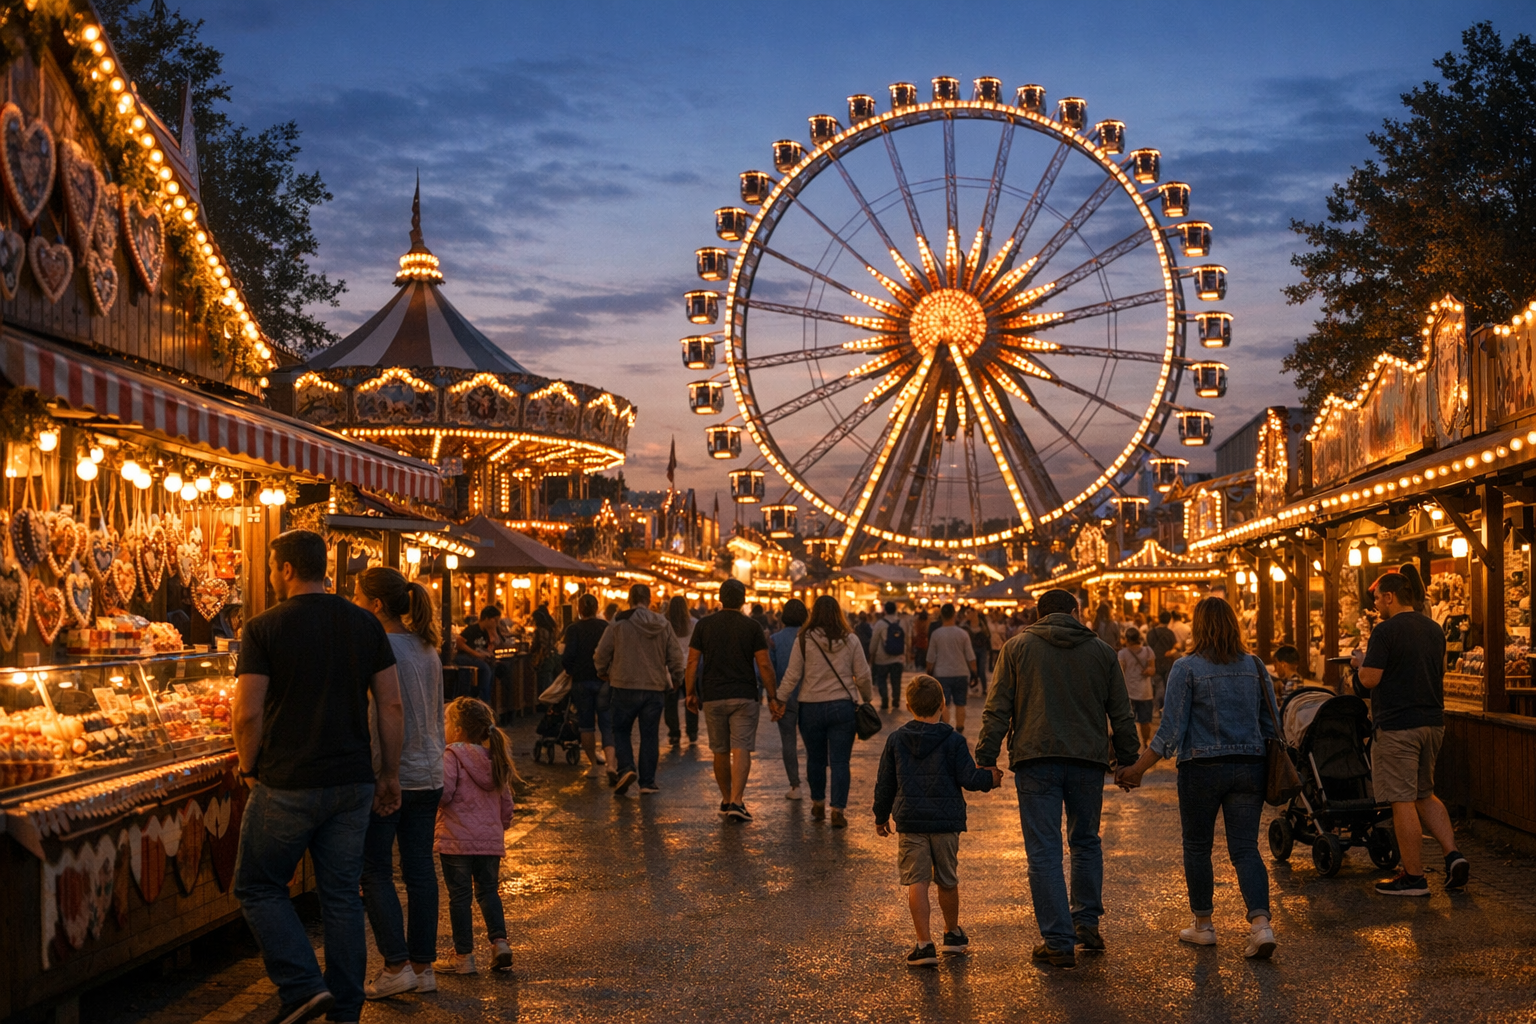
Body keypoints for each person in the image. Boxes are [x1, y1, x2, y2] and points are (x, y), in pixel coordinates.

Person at [232, 530, 403, 1024]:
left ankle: (303, 986)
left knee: (259, 885)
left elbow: (246, 713)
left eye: (270, 566)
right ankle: (345, 1009)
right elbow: (391, 704)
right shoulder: (365, 625)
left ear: (285, 569)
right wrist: (388, 773)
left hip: (288, 780)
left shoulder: (264, 627)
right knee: (342, 896)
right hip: (353, 782)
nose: (269, 574)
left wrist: (248, 766)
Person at [974, 588, 1138, 971]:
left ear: (1037, 613)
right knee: (1086, 842)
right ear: (1075, 612)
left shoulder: (1017, 648)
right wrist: (1128, 761)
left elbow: (997, 707)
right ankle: (1086, 923)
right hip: (1087, 759)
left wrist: (986, 757)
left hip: (1036, 758)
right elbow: (1122, 712)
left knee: (1044, 850)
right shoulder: (1102, 652)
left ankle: (1058, 940)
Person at [1117, 597, 1280, 959]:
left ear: (1198, 626)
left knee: (1197, 846)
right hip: (1249, 765)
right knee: (1245, 848)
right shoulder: (1255, 665)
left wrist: (1137, 769)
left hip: (1201, 769)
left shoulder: (1186, 668)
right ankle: (1260, 925)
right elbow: (1273, 724)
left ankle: (1204, 925)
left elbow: (1170, 732)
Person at [353, 568, 446, 1000]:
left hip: (394, 771)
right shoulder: (426, 646)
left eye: (357, 597)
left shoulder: (381, 645)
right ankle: (423, 966)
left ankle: (395, 964)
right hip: (429, 771)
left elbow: (387, 707)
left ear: (375, 605)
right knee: (420, 870)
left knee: (374, 870)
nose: (353, 604)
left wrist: (384, 773)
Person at [1350, 569, 1469, 896]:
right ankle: (1453, 855)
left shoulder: (1385, 631)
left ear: (1389, 597)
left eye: (1376, 599)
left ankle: (1414, 876)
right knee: (1424, 793)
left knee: (1402, 801)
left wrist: (1358, 665)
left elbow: (1370, 680)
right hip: (1432, 723)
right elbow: (1440, 671)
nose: (1375, 605)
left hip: (1397, 726)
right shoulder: (1434, 629)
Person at [873, 675, 998, 966]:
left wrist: (881, 816)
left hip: (911, 822)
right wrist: (990, 778)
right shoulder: (953, 740)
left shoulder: (896, 740)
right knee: (947, 878)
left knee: (917, 881)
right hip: (946, 822)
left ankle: (924, 944)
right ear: (943, 704)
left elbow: (885, 784)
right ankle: (952, 934)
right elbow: (968, 778)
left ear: (908, 705)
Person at [686, 578, 782, 821]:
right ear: (743, 600)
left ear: (720, 598)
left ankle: (726, 799)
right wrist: (773, 696)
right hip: (744, 695)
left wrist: (690, 692)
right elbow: (764, 664)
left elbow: (692, 662)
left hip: (713, 695)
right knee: (741, 748)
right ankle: (738, 802)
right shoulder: (751, 627)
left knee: (720, 750)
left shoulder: (704, 626)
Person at [433, 697, 515, 976]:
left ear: (457, 730)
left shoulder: (451, 755)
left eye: (446, 721)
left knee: (460, 897)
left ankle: (463, 957)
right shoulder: (495, 757)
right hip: (489, 842)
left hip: (456, 840)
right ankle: (499, 943)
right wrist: (499, 827)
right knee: (489, 891)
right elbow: (506, 802)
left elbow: (444, 793)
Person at [778, 595, 872, 827]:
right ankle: (838, 810)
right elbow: (863, 675)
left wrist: (779, 699)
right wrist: (866, 698)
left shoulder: (804, 639)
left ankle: (818, 802)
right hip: (842, 707)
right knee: (841, 761)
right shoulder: (851, 640)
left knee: (816, 759)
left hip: (811, 707)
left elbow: (792, 675)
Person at [594, 583, 684, 795]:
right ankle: (647, 782)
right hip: (654, 687)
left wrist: (602, 671)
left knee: (621, 730)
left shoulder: (618, 621)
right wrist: (677, 678)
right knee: (650, 734)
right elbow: (676, 656)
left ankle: (626, 768)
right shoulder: (663, 623)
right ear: (649, 599)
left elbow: (601, 653)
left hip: (624, 685)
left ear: (630, 598)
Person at [561, 594, 615, 782]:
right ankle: (610, 764)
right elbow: (612, 651)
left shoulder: (573, 629)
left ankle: (593, 765)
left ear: (579, 609)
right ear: (596, 607)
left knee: (586, 725)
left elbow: (568, 655)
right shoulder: (605, 627)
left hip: (581, 681)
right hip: (603, 680)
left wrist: (570, 670)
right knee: (607, 722)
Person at [768, 599, 808, 801]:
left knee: (788, 741)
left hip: (784, 697)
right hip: (810, 697)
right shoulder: (810, 638)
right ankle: (814, 779)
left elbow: (768, 670)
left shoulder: (775, 640)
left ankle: (795, 785)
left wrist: (772, 696)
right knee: (812, 742)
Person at [924, 604, 977, 734]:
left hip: (941, 673)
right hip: (961, 672)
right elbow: (970, 656)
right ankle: (960, 729)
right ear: (954, 615)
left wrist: (929, 672)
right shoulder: (963, 633)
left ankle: (945, 730)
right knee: (960, 703)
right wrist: (974, 673)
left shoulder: (936, 634)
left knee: (944, 704)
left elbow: (930, 657)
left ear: (941, 615)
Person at [664, 595, 699, 746]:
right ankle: (692, 731)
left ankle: (674, 732)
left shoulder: (665, 624)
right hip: (691, 666)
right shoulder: (694, 624)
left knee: (670, 702)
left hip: (671, 667)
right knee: (690, 699)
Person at [1118, 627, 1157, 751]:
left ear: (1127, 639)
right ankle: (1145, 743)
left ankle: (1130, 745)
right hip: (1146, 692)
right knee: (1145, 721)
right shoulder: (1148, 651)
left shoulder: (1122, 653)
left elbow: (1120, 673)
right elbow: (1152, 669)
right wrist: (1148, 671)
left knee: (1128, 721)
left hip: (1128, 692)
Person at [454, 606, 501, 705]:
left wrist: (494, 631)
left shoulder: (487, 631)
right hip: (464, 656)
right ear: (487, 618)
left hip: (477, 658)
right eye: (495, 620)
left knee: (494, 667)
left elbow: (494, 643)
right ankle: (483, 701)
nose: (496, 623)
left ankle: (485, 698)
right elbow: (459, 643)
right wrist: (476, 654)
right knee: (485, 669)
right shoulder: (473, 629)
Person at [868, 601, 906, 712]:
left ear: (885, 610)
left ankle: (884, 699)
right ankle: (896, 700)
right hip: (897, 658)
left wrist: (872, 653)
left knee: (882, 679)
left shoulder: (880, 624)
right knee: (896, 680)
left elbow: (874, 641)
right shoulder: (901, 622)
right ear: (895, 609)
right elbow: (907, 639)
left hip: (882, 659)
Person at [1147, 610, 1179, 711]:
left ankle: (1155, 705)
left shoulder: (1151, 632)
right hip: (1167, 661)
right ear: (1169, 620)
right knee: (1166, 684)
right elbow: (1175, 646)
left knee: (1155, 684)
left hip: (1153, 660)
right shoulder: (1170, 633)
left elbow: (1148, 646)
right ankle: (1163, 706)